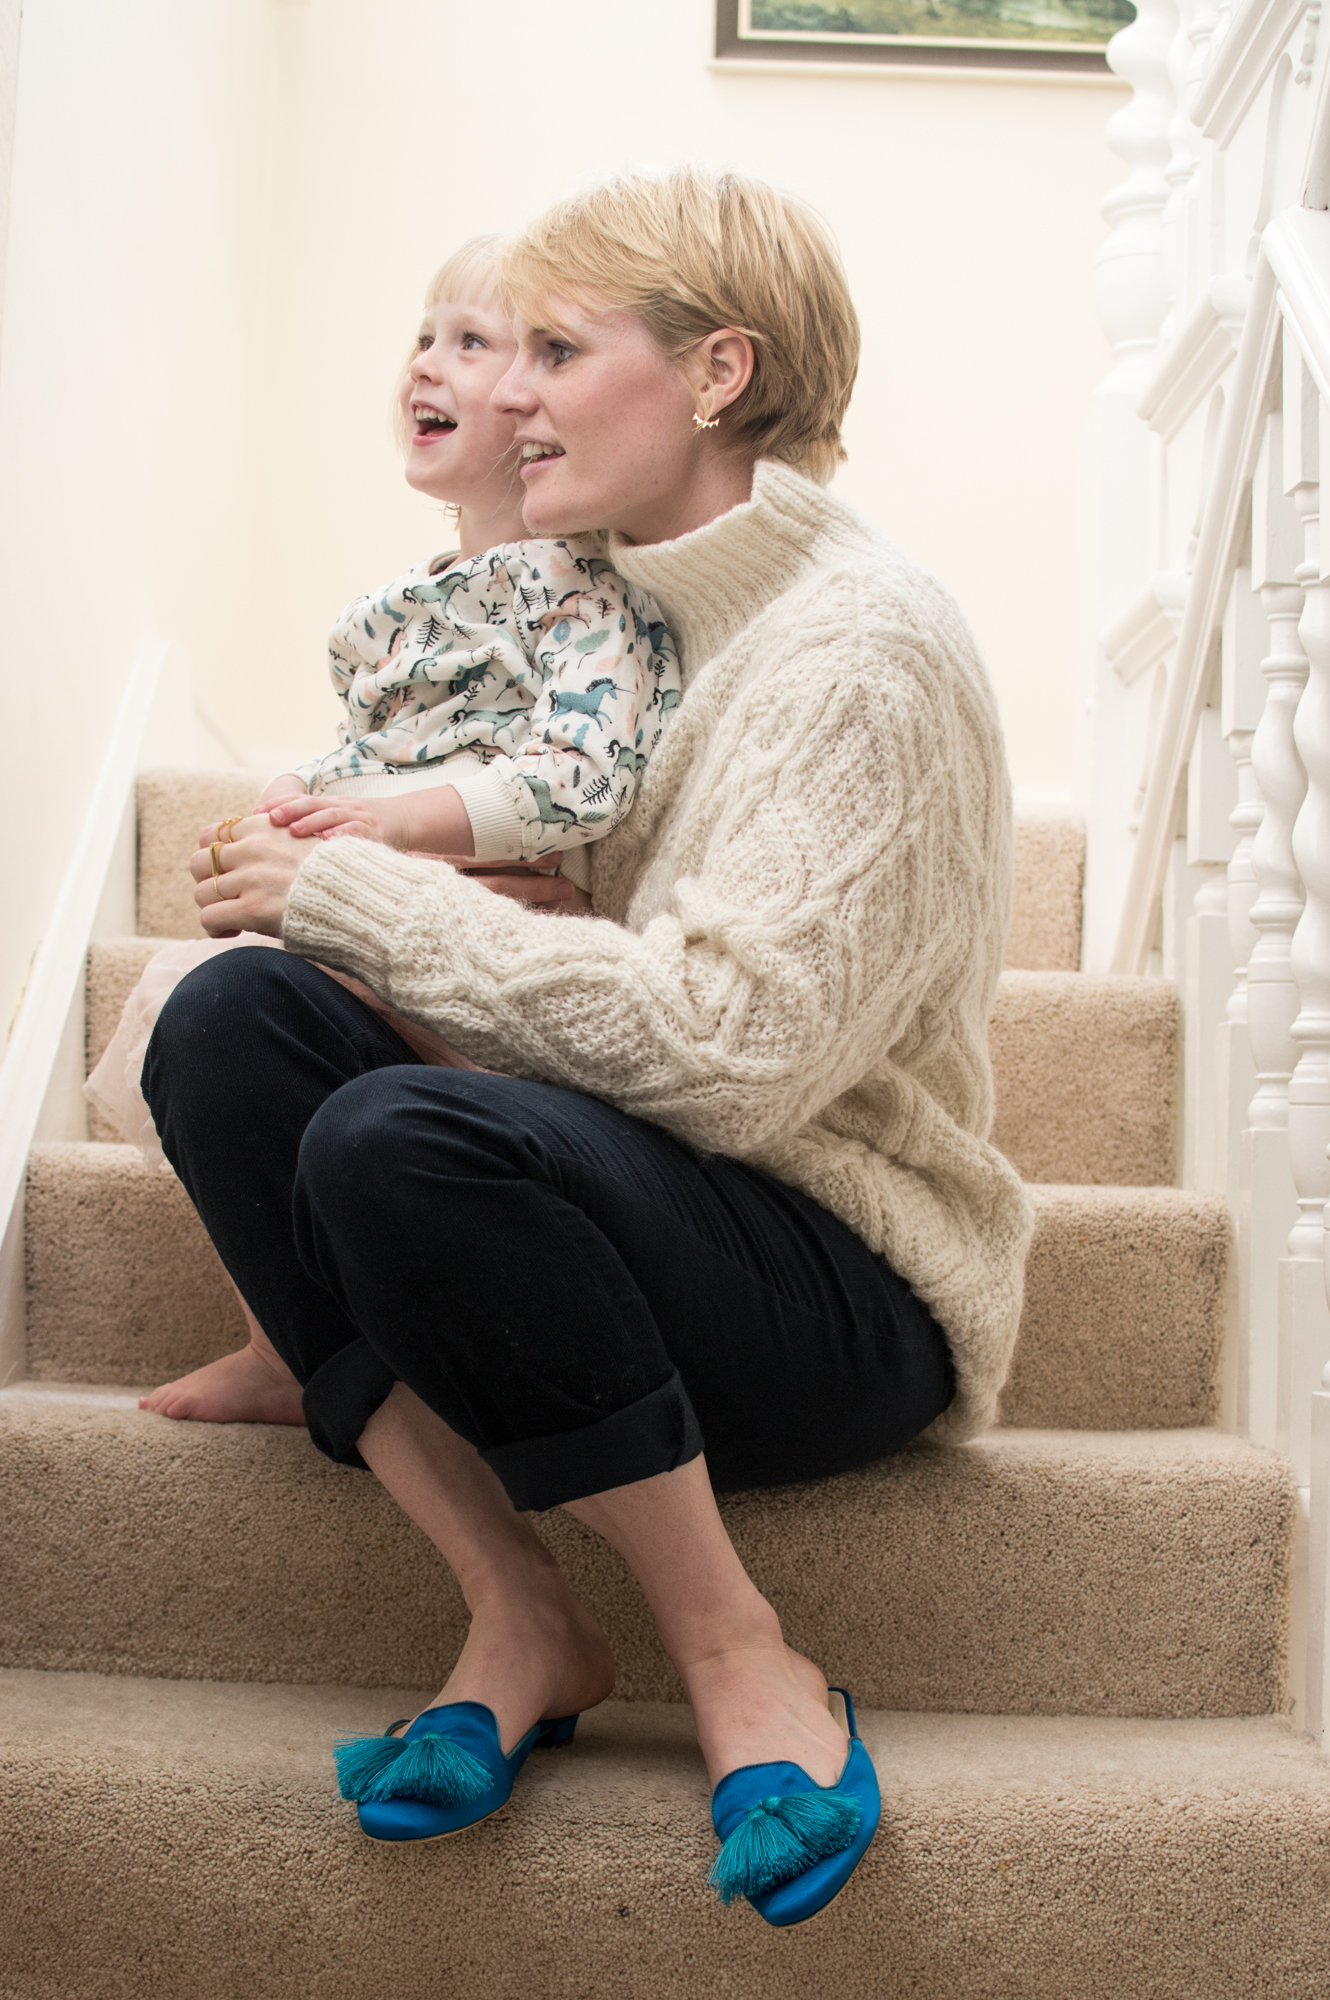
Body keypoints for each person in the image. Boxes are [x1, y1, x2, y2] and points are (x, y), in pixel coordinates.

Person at [140, 166, 1033, 1926]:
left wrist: (376, 896)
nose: (512, 389)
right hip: (584, 1239)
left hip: (838, 1281)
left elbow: (726, 1056)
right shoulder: (614, 626)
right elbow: (558, 979)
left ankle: (733, 1646)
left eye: (556, 345)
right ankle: (523, 1610)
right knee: (227, 1026)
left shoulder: (860, 646)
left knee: (399, 1132)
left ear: (717, 376)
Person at [89, 235, 677, 1413]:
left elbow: (577, 773)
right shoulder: (404, 610)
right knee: (203, 1010)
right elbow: (376, 759)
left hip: (487, 905)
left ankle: (433, 1328)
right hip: (375, 887)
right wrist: (298, 807)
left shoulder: (582, 587)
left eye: (473, 343)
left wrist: (385, 828)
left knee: (359, 1097)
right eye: (424, 335)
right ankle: (279, 1336)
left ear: (542, 408)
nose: (425, 365)